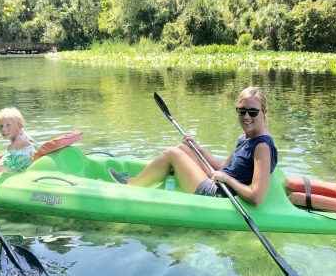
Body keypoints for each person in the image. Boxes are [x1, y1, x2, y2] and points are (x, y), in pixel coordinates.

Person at [108, 86, 278, 206]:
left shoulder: (262, 146)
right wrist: (199, 148)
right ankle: (147, 178)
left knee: (172, 154)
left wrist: (226, 179)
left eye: (252, 112)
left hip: (220, 193)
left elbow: (256, 197)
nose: (246, 116)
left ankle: (130, 186)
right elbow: (223, 167)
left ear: (264, 112)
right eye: (242, 111)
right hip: (219, 182)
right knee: (185, 148)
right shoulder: (245, 137)